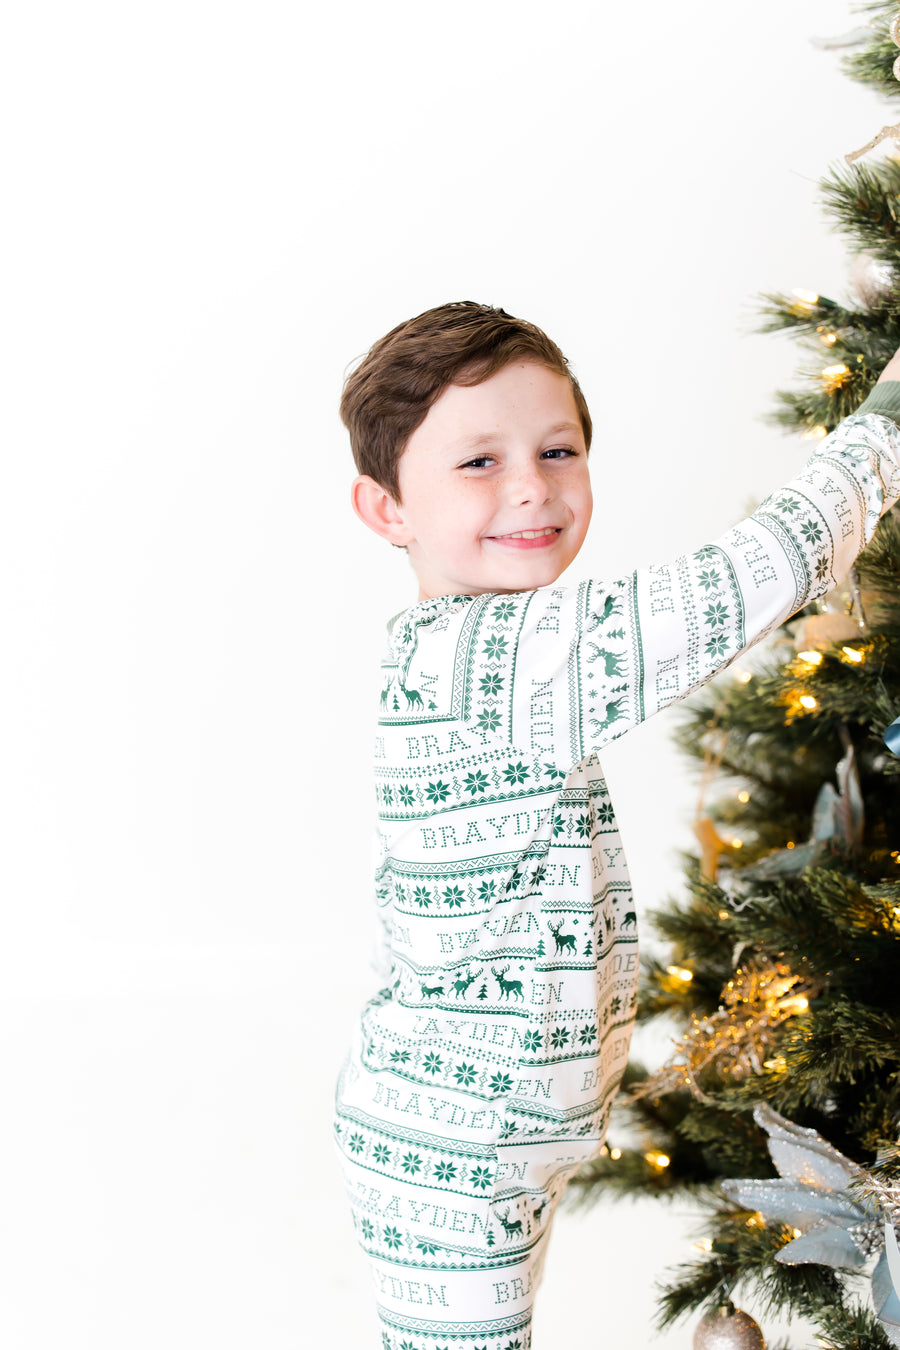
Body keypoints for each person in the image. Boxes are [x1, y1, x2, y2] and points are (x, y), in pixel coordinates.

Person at [333, 301, 900, 1349]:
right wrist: (888, 424)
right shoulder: (496, 657)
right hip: (454, 1153)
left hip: (501, 1129)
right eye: (477, 463)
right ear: (386, 509)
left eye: (558, 449)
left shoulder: (461, 648)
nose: (532, 486)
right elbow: (742, 584)